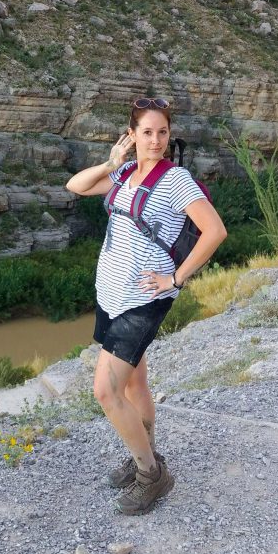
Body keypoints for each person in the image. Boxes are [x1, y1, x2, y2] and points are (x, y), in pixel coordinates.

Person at [66, 96, 227, 515]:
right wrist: (110, 161)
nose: (156, 140)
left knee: (106, 391)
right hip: (111, 292)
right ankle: (148, 452)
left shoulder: (176, 182)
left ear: (169, 136)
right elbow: (76, 187)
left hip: (144, 299)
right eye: (147, 132)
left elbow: (215, 231)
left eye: (162, 133)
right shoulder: (122, 174)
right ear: (132, 135)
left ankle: (151, 476)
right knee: (135, 385)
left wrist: (175, 279)